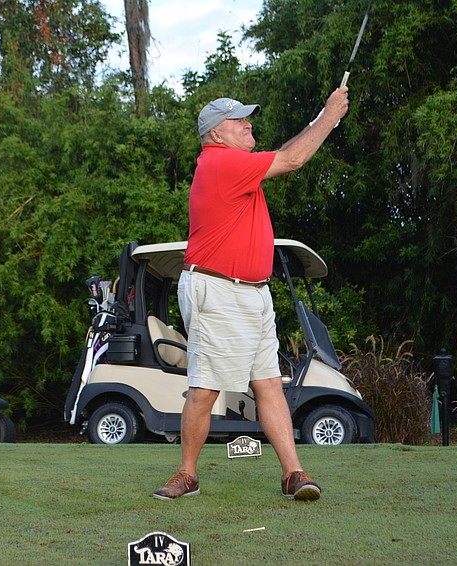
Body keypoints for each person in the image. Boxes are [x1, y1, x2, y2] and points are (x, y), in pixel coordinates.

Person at [153, 87, 350, 502]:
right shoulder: (220, 163)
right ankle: (187, 474)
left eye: (247, 118)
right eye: (238, 120)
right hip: (216, 290)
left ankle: (293, 474)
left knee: (269, 385)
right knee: (206, 386)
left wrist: (321, 117)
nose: (248, 124)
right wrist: (329, 115)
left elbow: (288, 152)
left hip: (254, 293)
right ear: (216, 135)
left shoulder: (236, 165)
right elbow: (293, 158)